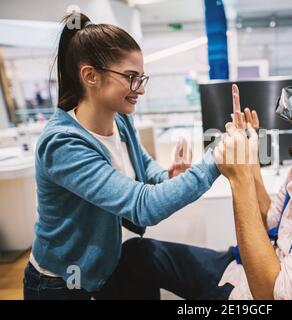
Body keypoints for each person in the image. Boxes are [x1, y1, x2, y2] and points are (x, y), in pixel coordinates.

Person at [116, 68, 292, 300]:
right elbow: (272, 221)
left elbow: (275, 295)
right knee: (137, 254)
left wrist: (240, 180)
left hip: (258, 289)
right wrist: (251, 161)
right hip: (243, 269)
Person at [23, 13, 221, 300]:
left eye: (141, 78)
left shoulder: (120, 120)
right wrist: (217, 160)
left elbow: (141, 166)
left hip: (104, 267)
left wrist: (167, 176)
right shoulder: (62, 143)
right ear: (90, 75)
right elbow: (143, 206)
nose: (140, 88)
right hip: (60, 284)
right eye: (131, 78)